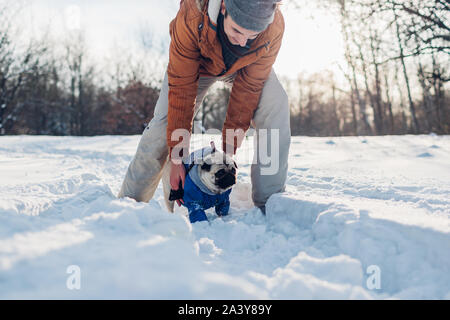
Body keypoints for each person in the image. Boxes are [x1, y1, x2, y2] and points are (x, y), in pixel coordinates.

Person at [118, 0, 291, 214]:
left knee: (276, 104)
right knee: (164, 125)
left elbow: (248, 89)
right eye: (237, 30)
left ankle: (270, 202)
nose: (242, 41)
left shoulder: (272, 27)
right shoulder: (192, 14)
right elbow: (181, 91)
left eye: (252, 35)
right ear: (224, 8)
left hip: (242, 69)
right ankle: (128, 204)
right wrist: (178, 158)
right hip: (195, 66)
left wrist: (227, 152)